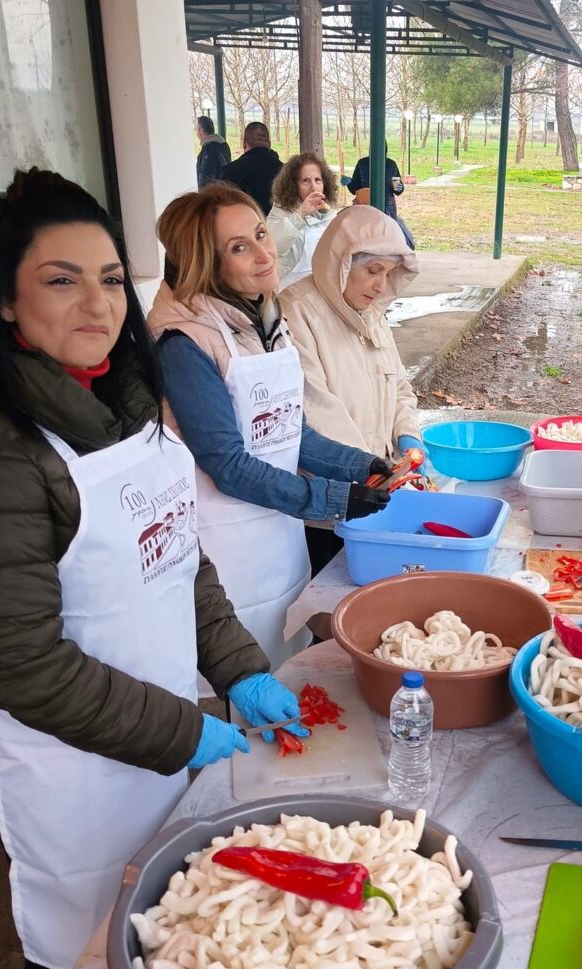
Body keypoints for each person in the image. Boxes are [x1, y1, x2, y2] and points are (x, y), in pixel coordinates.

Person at [0, 169, 308, 969]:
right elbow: (19, 663)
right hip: (56, 760)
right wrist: (183, 732)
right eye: (60, 281)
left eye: (107, 280)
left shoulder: (124, 395)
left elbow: (175, 555)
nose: (96, 306)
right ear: (4, 302)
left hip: (149, 725)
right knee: (81, 953)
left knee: (158, 932)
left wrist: (239, 669)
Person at [148, 184, 393, 670]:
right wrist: (333, 498)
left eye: (261, 235)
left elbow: (289, 431)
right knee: (240, 684)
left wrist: (364, 465)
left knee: (290, 669)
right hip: (223, 551)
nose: (265, 254)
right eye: (240, 248)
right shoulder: (184, 341)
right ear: (206, 263)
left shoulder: (264, 318)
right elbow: (228, 464)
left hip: (278, 536)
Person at [278, 205, 424, 571]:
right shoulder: (297, 312)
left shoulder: (371, 314)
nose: (380, 285)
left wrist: (408, 436)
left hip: (378, 490)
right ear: (340, 263)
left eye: (388, 273)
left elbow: (399, 386)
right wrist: (379, 474)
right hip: (330, 501)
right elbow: (317, 410)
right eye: (372, 271)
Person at [267, 151, 340, 289]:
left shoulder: (330, 215)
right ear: (293, 186)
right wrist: (300, 215)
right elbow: (273, 246)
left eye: (318, 180)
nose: (313, 187)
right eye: (305, 181)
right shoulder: (280, 212)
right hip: (289, 294)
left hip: (322, 292)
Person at [346, 145, 414, 249]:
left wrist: (399, 188)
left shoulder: (391, 165)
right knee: (368, 235)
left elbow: (398, 190)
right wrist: (349, 183)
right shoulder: (362, 164)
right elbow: (355, 189)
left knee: (389, 234)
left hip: (388, 207)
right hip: (365, 206)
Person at [220, 121, 283, 213]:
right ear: (269, 143)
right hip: (279, 225)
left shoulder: (231, 171)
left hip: (244, 225)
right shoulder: (285, 171)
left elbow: (222, 207)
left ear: (244, 143)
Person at [195, 115, 231, 187]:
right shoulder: (223, 145)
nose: (196, 133)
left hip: (213, 195)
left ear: (201, 131)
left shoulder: (209, 151)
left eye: (196, 129)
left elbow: (206, 180)